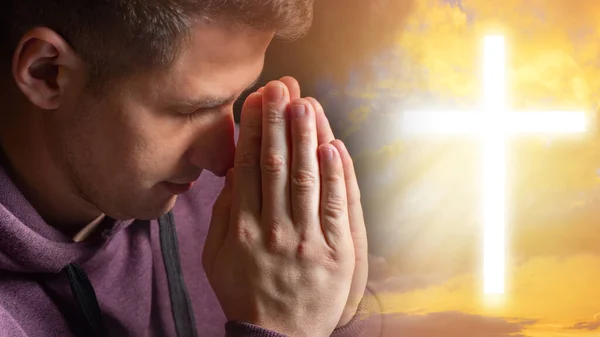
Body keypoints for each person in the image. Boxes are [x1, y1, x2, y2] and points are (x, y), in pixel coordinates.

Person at [0, 1, 382, 336]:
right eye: (190, 110)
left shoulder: (258, 205)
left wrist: (337, 319)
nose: (223, 161)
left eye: (237, 98)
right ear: (46, 72)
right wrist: (283, 330)